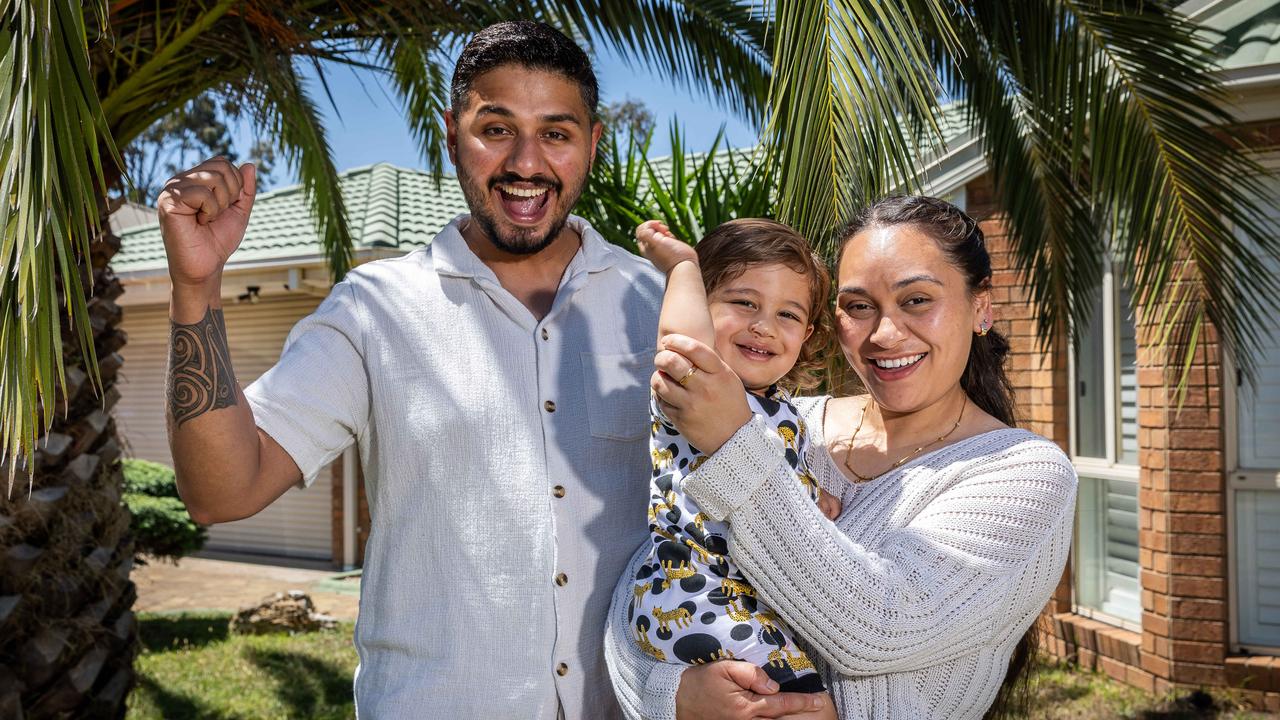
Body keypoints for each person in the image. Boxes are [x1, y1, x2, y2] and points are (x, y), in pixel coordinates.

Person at [160, 21, 666, 718]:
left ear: (592, 144)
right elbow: (222, 491)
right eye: (495, 128)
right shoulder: (375, 310)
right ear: (450, 132)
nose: (526, 163)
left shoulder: (660, 303)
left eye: (556, 133)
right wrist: (196, 289)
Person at [605, 195, 1079, 720]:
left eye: (917, 299)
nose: (883, 333)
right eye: (859, 306)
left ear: (981, 307)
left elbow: (880, 627)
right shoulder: (784, 419)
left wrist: (733, 443)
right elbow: (647, 574)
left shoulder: (1024, 474)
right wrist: (673, 695)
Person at [629, 219, 840, 710]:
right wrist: (682, 265)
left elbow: (769, 478)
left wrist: (814, 496)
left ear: (807, 332)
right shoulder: (695, 390)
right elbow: (686, 343)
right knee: (800, 699)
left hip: (742, 599)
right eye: (744, 302)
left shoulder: (786, 410)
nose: (763, 326)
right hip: (695, 594)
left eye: (788, 314)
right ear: (702, 307)